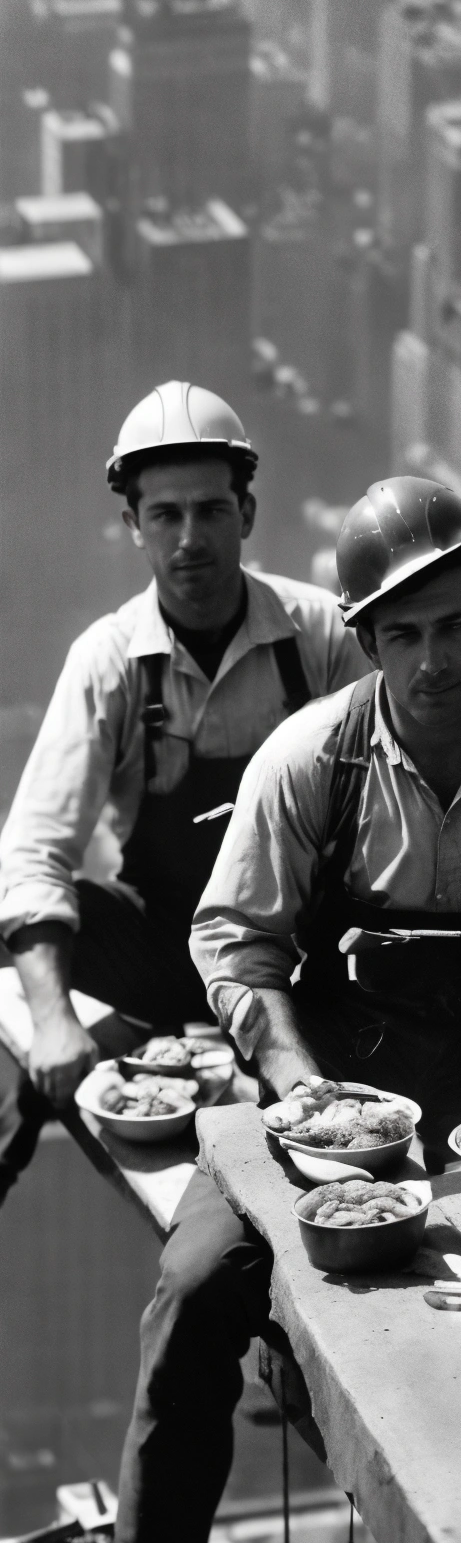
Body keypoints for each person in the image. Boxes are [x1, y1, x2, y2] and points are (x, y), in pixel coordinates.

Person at [0, 477, 461, 1543]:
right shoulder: (313, 758)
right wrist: (303, 1090)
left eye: (455, 626)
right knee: (197, 1286)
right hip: (334, 1089)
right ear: (365, 639)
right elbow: (234, 942)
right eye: (403, 634)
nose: (433, 661)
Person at [0, 382, 365, 1207]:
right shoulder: (109, 661)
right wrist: (54, 1023)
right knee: (32, 942)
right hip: (164, 943)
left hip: (294, 949)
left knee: (316, 1149)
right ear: (134, 525)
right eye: (165, 515)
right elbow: (36, 849)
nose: (190, 537)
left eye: (210, 510)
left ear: (248, 513)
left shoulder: (321, 636)